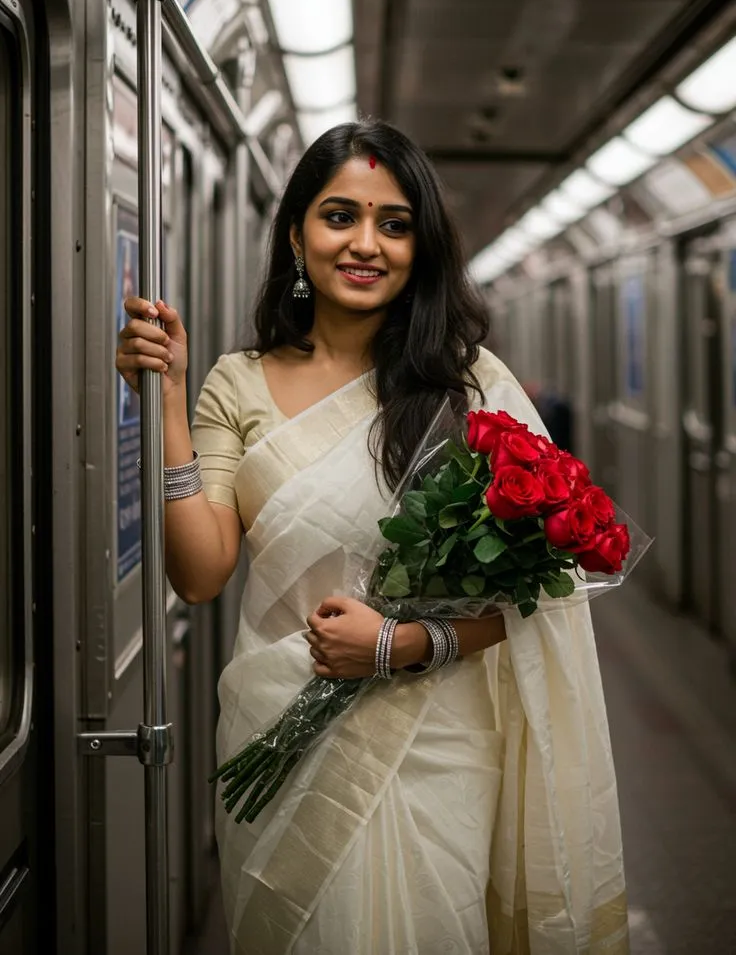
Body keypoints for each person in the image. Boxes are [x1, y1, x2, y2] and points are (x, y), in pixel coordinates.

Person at [116, 121, 628, 955]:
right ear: (295, 233)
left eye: (393, 224)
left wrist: (402, 643)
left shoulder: (470, 389)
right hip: (276, 732)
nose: (366, 243)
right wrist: (166, 403)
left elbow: (546, 596)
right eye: (339, 215)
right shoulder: (235, 381)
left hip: (436, 742)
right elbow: (202, 570)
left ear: (420, 247)